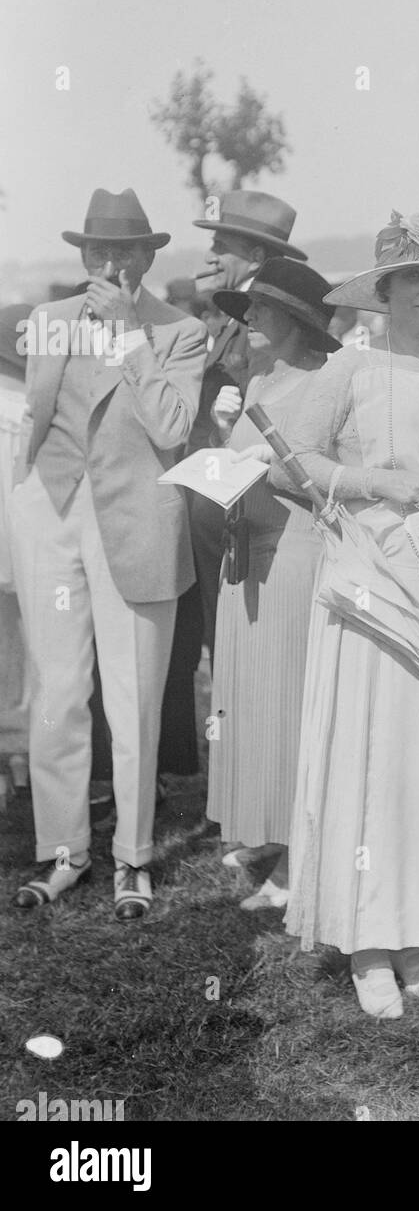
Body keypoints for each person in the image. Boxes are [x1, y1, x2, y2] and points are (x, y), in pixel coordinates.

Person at [268, 207, 419, 1019]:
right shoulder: (352, 369)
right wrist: (378, 485)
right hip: (374, 582)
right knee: (376, 756)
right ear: (385, 290)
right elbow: (287, 464)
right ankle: (369, 945)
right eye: (415, 279)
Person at [9, 188, 207, 919]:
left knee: (133, 701)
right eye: (99, 250)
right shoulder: (49, 321)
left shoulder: (178, 330)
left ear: (149, 256)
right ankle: (64, 851)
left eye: (126, 250)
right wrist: (30, 494)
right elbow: (38, 413)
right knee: (57, 694)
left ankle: (133, 857)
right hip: (51, 512)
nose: (111, 262)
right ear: (82, 254)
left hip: (135, 524)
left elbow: (172, 427)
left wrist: (129, 336)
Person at [204, 258, 339, 910]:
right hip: (245, 557)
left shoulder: (323, 384)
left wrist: (269, 466)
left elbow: (324, 483)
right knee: (249, 702)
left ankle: (298, 857)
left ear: (295, 320)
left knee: (287, 704)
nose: (248, 317)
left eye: (260, 309)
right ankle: (265, 829)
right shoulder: (260, 377)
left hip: (292, 557)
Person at [187, 190, 309, 651]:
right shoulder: (227, 314)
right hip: (209, 488)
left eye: (221, 247)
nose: (210, 255)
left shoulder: (271, 322)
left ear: (256, 255)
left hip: (239, 496)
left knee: (231, 634)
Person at [0, 303, 34, 804]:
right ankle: (24, 756)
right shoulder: (34, 406)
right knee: (31, 654)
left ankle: (13, 757)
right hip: (28, 543)